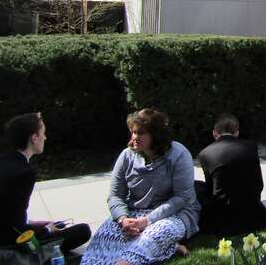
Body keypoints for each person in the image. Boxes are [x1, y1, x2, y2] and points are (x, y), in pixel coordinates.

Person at [81, 109, 200, 265]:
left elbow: (182, 198)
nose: (134, 137)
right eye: (133, 132)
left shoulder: (178, 154)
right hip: (133, 214)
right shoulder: (126, 156)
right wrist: (123, 219)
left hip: (174, 214)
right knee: (97, 251)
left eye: (140, 133)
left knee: (136, 251)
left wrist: (147, 220)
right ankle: (171, 247)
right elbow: (115, 195)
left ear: (156, 135)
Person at [0, 113, 91, 252]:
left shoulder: (3, 161)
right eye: (43, 133)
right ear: (34, 138)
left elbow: (8, 214)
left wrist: (36, 224)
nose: (45, 137)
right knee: (82, 231)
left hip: (6, 231)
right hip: (9, 244)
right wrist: (47, 229)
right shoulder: (24, 173)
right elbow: (16, 230)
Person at [195, 114, 266, 236]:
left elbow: (210, 190)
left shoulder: (205, 154)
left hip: (225, 220)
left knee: (197, 187)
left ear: (214, 133)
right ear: (237, 132)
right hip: (254, 213)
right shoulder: (251, 147)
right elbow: (258, 182)